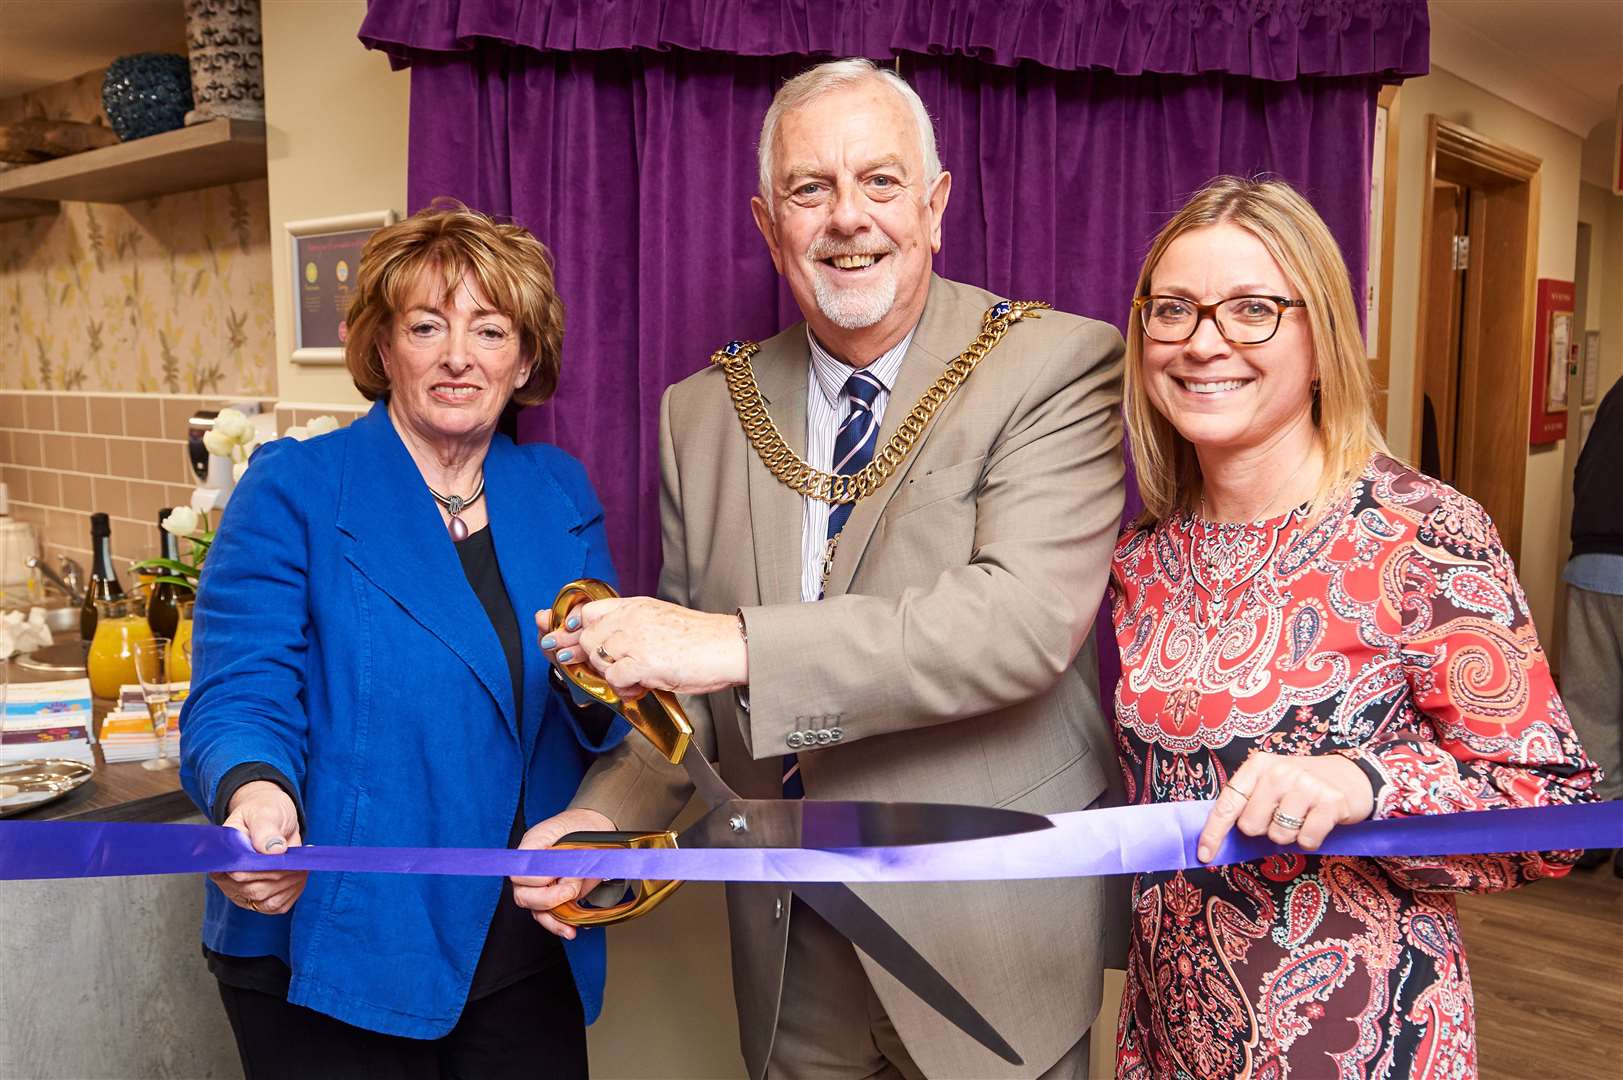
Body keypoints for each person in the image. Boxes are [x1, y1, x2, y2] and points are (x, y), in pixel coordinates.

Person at [527, 58, 1126, 1079]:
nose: (848, 218)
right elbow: (698, 702)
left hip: (987, 940)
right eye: (811, 189)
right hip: (791, 939)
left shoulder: (1058, 365)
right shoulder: (702, 414)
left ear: (934, 207)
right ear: (771, 225)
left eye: (881, 182)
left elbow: (1015, 626)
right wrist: (608, 818)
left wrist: (729, 641)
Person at [1108, 176, 1597, 1078]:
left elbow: (1551, 810)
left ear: (1323, 339)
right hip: (1168, 1029)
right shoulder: (1145, 558)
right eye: (1171, 310)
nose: (1203, 342)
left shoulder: (1420, 533)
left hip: (1358, 1038)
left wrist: (1362, 779)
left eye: (1252, 309)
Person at [179, 202, 623, 1078]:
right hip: (338, 943)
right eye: (426, 326)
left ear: (525, 358)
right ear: (383, 350)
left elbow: (603, 712)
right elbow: (241, 687)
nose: (458, 356)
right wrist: (254, 791)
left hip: (525, 938)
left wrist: (604, 674)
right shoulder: (296, 488)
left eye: (490, 330)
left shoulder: (558, 491)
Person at [1562, 373, 1623, 875]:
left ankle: (1593, 833)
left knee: (1592, 704)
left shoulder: (1617, 390)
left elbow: (1586, 470)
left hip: (1593, 564)